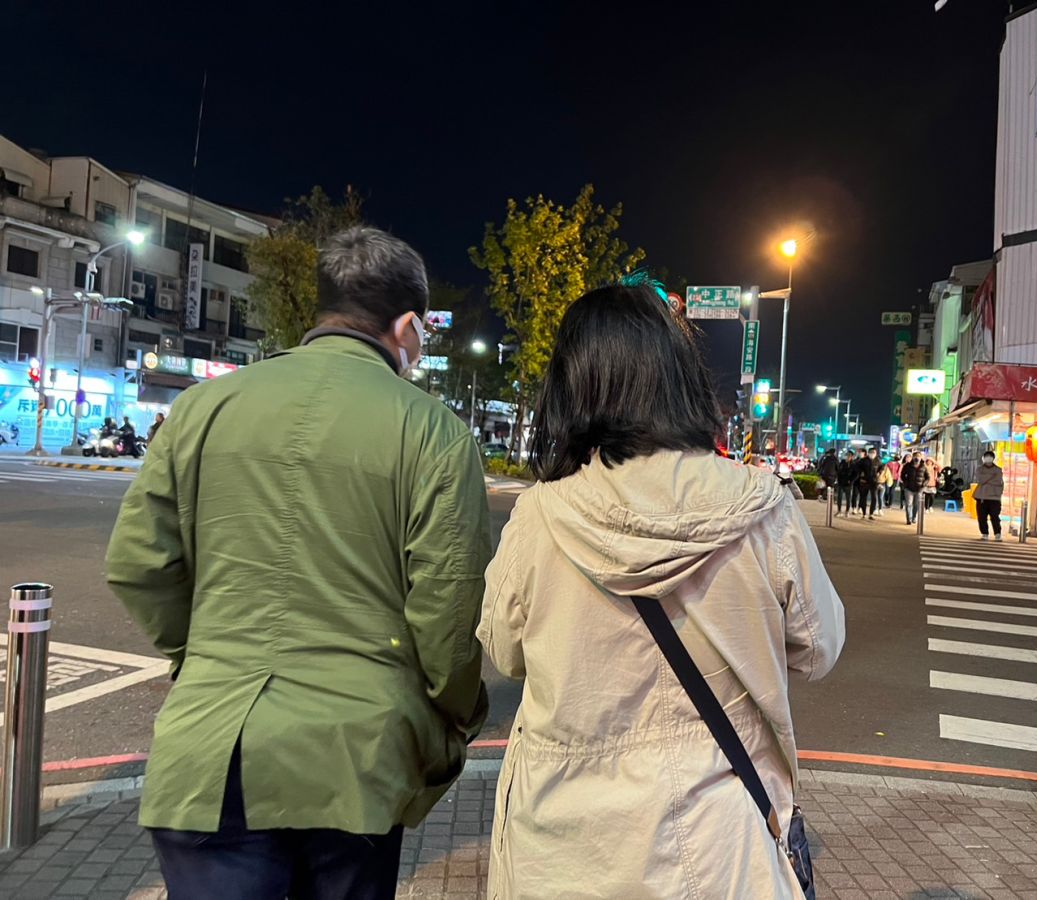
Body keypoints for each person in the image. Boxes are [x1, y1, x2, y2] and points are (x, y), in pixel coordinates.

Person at [105, 227, 491, 899]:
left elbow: (139, 564)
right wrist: (457, 711)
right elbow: (448, 611)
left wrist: (206, 659)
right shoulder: (432, 432)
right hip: (355, 758)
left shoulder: (201, 409)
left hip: (210, 750)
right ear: (406, 327)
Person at [478, 282, 845, 899]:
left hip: (561, 847)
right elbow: (819, 648)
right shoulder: (762, 510)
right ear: (681, 377)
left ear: (573, 385)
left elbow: (504, 649)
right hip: (720, 843)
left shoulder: (540, 516)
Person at [974, 450, 1005, 541]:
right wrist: (992, 476)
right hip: (982, 497)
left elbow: (998, 481)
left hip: (994, 498)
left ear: (993, 458)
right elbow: (981, 479)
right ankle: (984, 533)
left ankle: (997, 533)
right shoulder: (980, 469)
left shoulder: (998, 470)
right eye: (986, 457)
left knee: (995, 516)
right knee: (982, 517)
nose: (988, 458)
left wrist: (986, 479)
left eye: (990, 457)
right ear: (984, 458)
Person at [900, 450, 929, 525]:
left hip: (919, 489)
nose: (917, 458)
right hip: (909, 488)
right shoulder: (907, 466)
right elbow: (902, 475)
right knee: (908, 504)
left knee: (916, 504)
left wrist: (924, 484)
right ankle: (908, 519)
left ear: (921, 457)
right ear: (913, 457)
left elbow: (928, 477)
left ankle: (914, 517)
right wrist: (905, 482)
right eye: (915, 456)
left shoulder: (923, 466)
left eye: (918, 456)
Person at [855, 448, 881, 519]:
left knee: (874, 498)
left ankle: (871, 514)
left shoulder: (877, 460)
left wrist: (879, 473)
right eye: (871, 452)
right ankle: (864, 513)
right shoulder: (863, 460)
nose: (872, 454)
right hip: (865, 481)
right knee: (863, 497)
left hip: (874, 482)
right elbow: (857, 467)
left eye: (874, 452)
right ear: (868, 453)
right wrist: (861, 474)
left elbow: (882, 467)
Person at [836, 449, 857, 517]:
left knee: (848, 498)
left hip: (848, 484)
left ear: (851, 457)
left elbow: (856, 474)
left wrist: (851, 481)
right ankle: (839, 511)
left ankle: (847, 511)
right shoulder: (842, 463)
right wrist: (838, 480)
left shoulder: (853, 465)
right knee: (839, 498)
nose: (847, 457)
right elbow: (838, 471)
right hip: (841, 483)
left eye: (849, 456)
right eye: (847, 455)